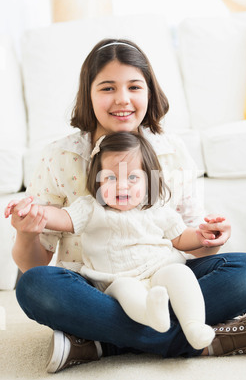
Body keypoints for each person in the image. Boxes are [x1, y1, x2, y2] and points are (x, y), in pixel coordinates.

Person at [7, 39, 246, 373]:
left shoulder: (170, 151)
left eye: (134, 87)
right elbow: (34, 261)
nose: (122, 99)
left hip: (162, 279)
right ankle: (201, 340)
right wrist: (27, 232)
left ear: (150, 92)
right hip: (95, 288)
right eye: (108, 87)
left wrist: (209, 238)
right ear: (89, 94)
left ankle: (102, 342)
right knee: (34, 286)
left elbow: (190, 241)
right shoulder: (60, 156)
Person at [7, 132, 218, 350]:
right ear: (96, 181)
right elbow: (59, 217)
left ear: (149, 180)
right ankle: (153, 319)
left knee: (183, 273)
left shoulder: (157, 209)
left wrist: (203, 236)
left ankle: (193, 326)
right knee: (128, 292)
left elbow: (181, 237)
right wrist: (32, 210)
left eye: (133, 178)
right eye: (110, 178)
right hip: (115, 280)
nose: (122, 186)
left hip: (160, 270)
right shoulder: (90, 208)